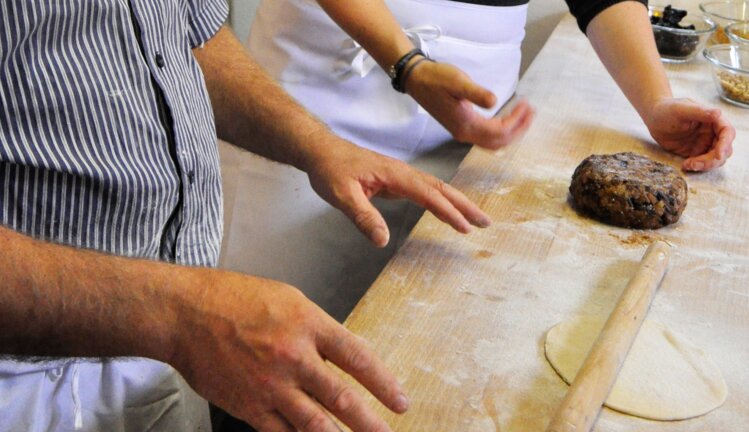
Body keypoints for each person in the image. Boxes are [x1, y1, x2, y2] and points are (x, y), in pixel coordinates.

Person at [0, 1, 492, 432]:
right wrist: (180, 314)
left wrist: (317, 144)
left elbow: (187, 38)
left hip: (164, 362)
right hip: (23, 400)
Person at [220, 0, 735, 321]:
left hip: (471, 120)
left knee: (417, 331)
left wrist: (656, 102)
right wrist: (408, 64)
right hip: (320, 96)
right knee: (273, 331)